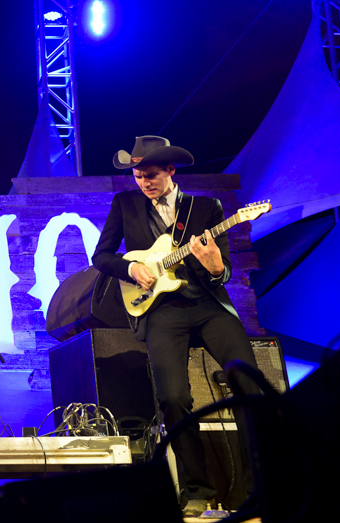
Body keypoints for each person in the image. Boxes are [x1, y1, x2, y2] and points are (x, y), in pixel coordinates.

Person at [92, 135, 257, 518]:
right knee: (173, 398)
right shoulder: (125, 204)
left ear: (170, 170)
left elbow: (224, 272)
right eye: (137, 176)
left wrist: (216, 266)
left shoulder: (206, 208)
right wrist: (131, 267)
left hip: (207, 305)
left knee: (250, 386)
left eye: (150, 175)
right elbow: (101, 256)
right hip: (161, 312)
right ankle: (198, 488)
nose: (144, 183)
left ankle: (258, 486)